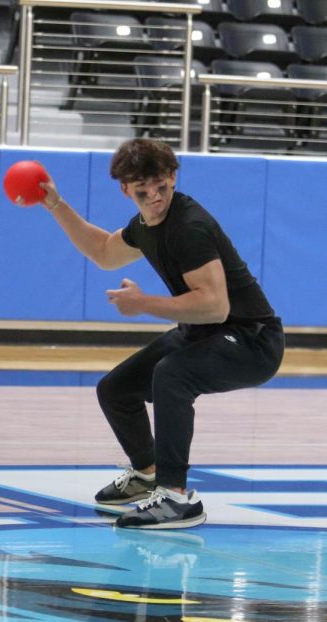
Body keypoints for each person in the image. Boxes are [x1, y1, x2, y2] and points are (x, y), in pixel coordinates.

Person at [33, 138, 284, 529]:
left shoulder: (189, 227)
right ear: (126, 190)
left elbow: (215, 305)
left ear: (173, 177)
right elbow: (103, 252)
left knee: (172, 374)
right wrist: (56, 205)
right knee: (115, 390)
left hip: (252, 340)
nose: (154, 198)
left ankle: (177, 498)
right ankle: (147, 474)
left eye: (162, 188)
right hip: (203, 332)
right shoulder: (145, 225)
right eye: (143, 191)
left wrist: (144, 303)